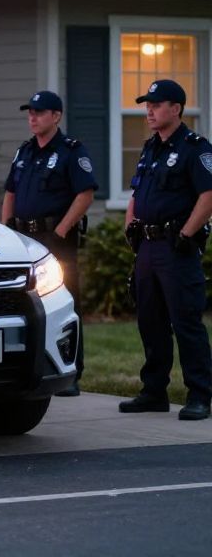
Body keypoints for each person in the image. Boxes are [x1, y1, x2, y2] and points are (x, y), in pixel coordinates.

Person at [120, 79, 212, 421]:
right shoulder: (150, 148)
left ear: (176, 108)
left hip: (177, 247)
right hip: (148, 246)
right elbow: (136, 191)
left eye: (156, 105)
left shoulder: (195, 148)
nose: (149, 111)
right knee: (150, 320)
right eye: (147, 105)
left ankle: (200, 394)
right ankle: (153, 390)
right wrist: (130, 224)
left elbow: (208, 195)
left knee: (185, 321)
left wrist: (186, 234)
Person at [2, 90, 97, 397]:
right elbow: (11, 193)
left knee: (65, 303)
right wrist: (6, 230)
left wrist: (60, 231)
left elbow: (85, 194)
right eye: (30, 112)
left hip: (55, 240)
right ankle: (32, 367)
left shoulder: (71, 151)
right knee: (23, 303)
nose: (32, 117)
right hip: (24, 239)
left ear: (56, 116)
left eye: (39, 112)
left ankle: (71, 373)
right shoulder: (25, 152)